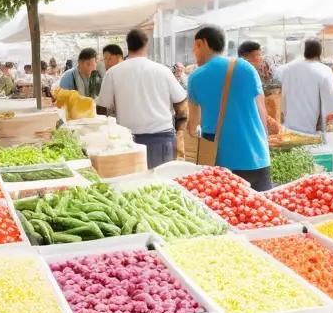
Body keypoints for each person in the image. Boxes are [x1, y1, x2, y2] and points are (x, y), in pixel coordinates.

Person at [187, 25, 272, 190]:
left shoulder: (195, 77)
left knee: (228, 213)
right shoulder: (246, 67)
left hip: (223, 164)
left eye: (194, 49)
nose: (194, 54)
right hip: (258, 157)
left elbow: (193, 125)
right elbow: (262, 111)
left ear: (200, 44)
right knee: (263, 211)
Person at [95, 29, 187, 169]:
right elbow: (181, 104)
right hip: (161, 139)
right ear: (146, 44)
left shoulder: (113, 73)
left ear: (128, 45)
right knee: (162, 185)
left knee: (133, 186)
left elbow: (101, 109)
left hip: (127, 142)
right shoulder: (162, 71)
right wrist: (180, 134)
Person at [279, 39, 333, 136]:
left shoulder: (288, 69)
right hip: (312, 132)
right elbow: (331, 100)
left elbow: (283, 97)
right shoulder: (324, 70)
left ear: (304, 52)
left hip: (289, 128)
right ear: (320, 52)